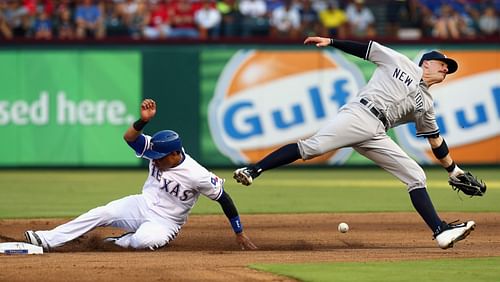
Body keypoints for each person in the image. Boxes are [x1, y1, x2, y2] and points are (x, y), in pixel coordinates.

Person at [234, 36, 477, 250]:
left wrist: (453, 169)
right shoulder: (400, 62)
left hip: (378, 132)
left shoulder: (427, 103)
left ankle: (440, 231)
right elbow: (367, 50)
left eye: (449, 68)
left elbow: (435, 139)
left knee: (415, 175)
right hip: (359, 114)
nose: (446, 70)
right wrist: (331, 42)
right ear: (427, 62)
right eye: (443, 64)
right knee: (313, 148)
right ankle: (253, 169)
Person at [25, 99, 257, 251]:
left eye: (160, 156)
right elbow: (129, 138)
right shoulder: (158, 150)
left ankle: (120, 241)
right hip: (141, 204)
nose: (155, 158)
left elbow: (224, 198)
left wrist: (239, 232)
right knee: (102, 212)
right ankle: (47, 239)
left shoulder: (197, 175)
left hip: (166, 222)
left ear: (175, 153)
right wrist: (143, 121)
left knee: (142, 242)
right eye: (154, 154)